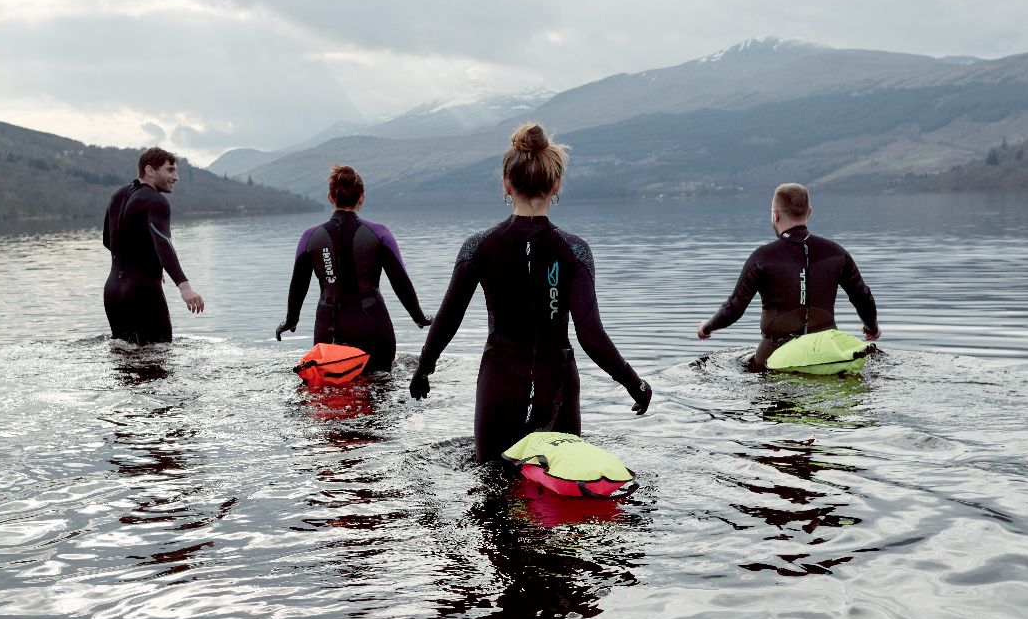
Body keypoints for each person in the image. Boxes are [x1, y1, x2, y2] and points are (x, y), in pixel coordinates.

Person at [410, 123, 651, 459]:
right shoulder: (574, 251)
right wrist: (634, 383)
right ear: (555, 185)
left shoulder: (478, 248)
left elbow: (448, 319)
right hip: (558, 390)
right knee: (564, 504)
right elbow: (591, 336)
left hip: (500, 387)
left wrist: (424, 367)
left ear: (507, 185)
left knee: (491, 496)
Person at [697, 182, 879, 367]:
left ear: (775, 215)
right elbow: (862, 296)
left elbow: (734, 308)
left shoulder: (762, 258)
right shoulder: (836, 253)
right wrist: (871, 327)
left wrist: (707, 326)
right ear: (809, 212)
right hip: (826, 352)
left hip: (776, 355)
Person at [276, 163, 431, 372]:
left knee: (332, 393)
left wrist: (290, 320)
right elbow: (400, 281)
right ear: (362, 197)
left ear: (330, 197)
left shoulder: (310, 237)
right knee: (380, 394)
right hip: (372, 327)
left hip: (328, 328)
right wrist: (419, 317)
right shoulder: (379, 234)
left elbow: (298, 285)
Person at [101, 146, 204, 344]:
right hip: (142, 291)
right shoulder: (156, 201)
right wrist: (185, 288)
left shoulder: (118, 195)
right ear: (149, 170)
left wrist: (143, 265)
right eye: (170, 170)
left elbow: (109, 240)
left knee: (125, 360)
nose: (176, 177)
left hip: (113, 292)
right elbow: (163, 244)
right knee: (159, 359)